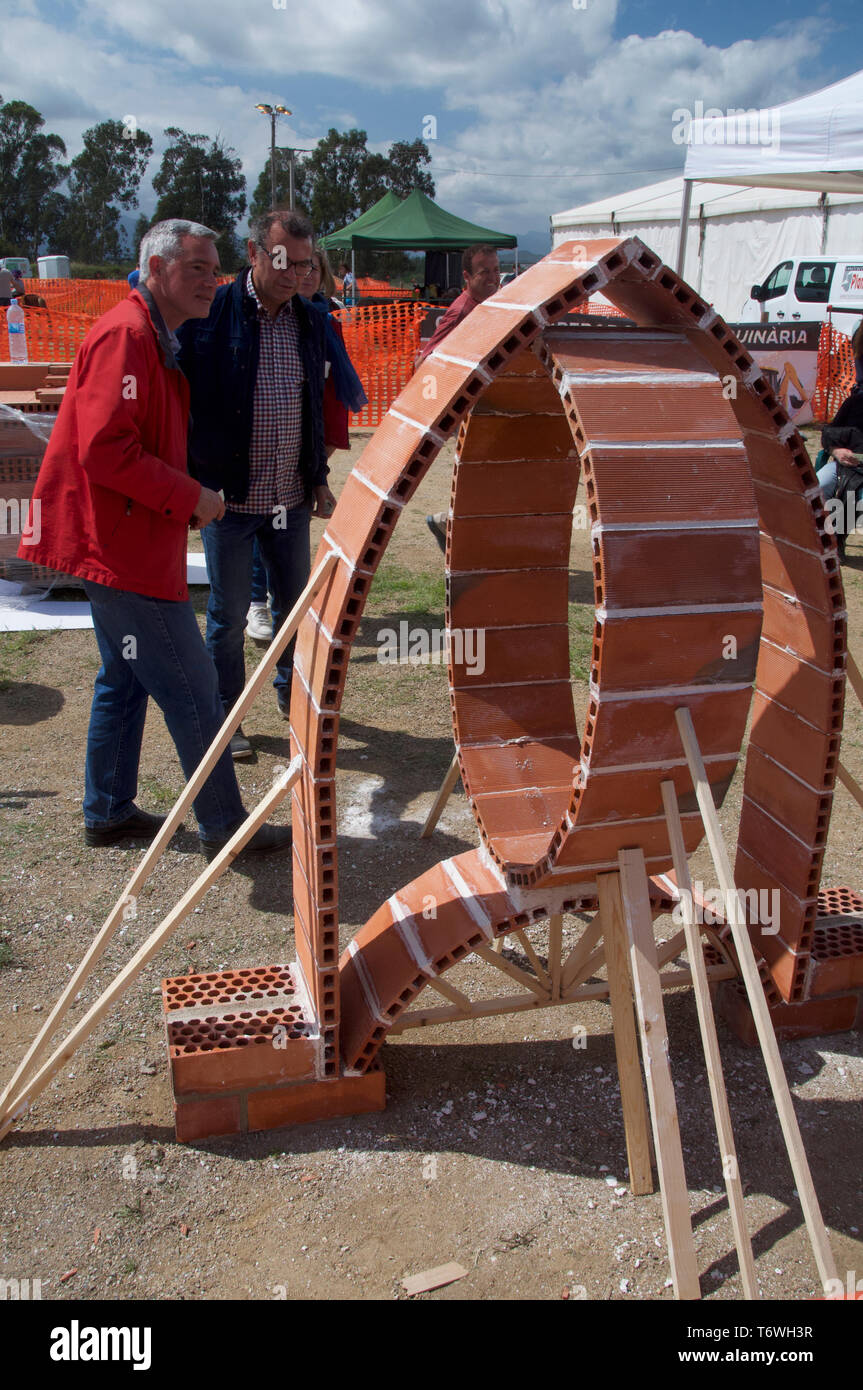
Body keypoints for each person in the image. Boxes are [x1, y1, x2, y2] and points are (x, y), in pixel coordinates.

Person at [18, 219, 292, 856]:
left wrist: (184, 489)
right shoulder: (127, 334)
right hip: (117, 550)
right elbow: (106, 450)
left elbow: (136, 441)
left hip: (122, 542)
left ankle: (108, 809)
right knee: (194, 687)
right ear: (156, 269)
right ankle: (225, 825)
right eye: (196, 267)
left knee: (126, 676)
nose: (212, 281)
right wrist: (189, 496)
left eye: (215, 268)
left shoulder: (153, 333)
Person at [177, 211, 334, 759]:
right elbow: (187, 403)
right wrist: (199, 482)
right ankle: (228, 717)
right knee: (226, 616)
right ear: (254, 253)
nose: (294, 273)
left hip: (288, 498)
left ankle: (296, 711)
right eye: (283, 260)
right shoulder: (213, 313)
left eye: (305, 263)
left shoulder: (310, 320)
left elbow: (311, 404)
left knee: (293, 611)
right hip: (229, 501)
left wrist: (317, 478)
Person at [246, 247, 367, 644]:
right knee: (259, 518)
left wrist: (323, 448)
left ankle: (285, 608)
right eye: (300, 267)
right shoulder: (279, 318)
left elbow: (333, 383)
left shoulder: (323, 318)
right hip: (270, 444)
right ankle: (256, 603)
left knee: (285, 524)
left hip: (310, 434)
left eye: (314, 268)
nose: (308, 275)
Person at [417, 243, 501, 549]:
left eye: (495, 270)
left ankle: (452, 526)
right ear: (467, 275)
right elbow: (425, 361)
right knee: (487, 475)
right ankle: (455, 528)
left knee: (490, 475)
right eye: (484, 272)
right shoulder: (462, 311)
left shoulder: (494, 303)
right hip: (471, 410)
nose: (493, 277)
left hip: (490, 407)